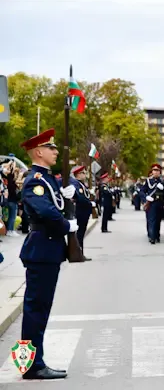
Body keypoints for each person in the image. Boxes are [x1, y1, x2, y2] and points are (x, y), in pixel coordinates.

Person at [18, 128, 76, 380]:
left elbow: (56, 204)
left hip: (48, 251)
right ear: (39, 152)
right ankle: (31, 365)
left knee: (39, 309)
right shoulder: (34, 181)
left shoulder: (47, 180)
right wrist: (66, 226)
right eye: (51, 148)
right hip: (41, 250)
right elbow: (45, 212)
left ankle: (31, 362)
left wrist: (68, 196)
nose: (55, 152)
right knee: (35, 311)